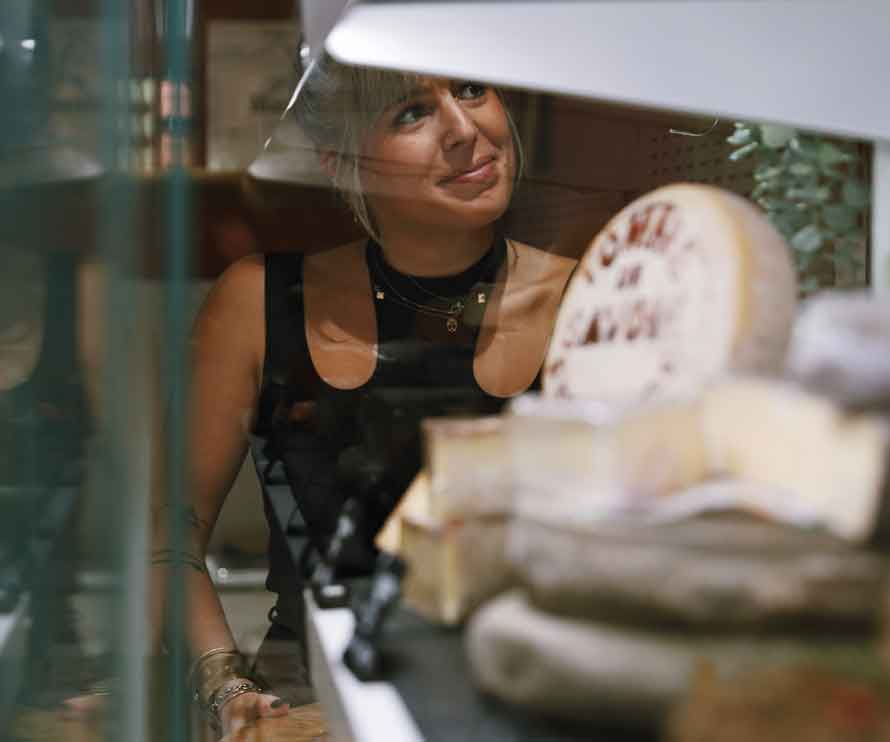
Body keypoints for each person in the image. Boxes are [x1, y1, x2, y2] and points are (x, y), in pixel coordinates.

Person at [156, 54, 578, 737]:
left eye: (472, 88)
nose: (464, 129)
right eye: (411, 112)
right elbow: (165, 536)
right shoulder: (256, 301)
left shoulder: (588, 301)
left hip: (520, 700)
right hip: (309, 706)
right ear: (342, 163)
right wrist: (226, 686)